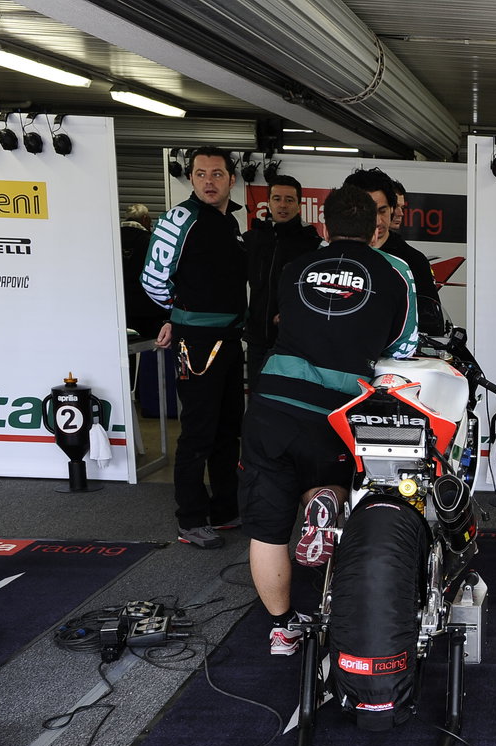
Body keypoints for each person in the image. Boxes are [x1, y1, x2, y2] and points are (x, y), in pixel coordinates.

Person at [240, 184, 419, 656]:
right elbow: (402, 349)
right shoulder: (396, 272)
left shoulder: (297, 265)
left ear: (324, 223)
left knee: (267, 527)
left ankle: (282, 629)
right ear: (375, 226)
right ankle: (326, 500)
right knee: (334, 475)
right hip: (337, 409)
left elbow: (283, 320)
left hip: (272, 400)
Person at [141, 146, 248, 549]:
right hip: (197, 342)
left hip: (230, 338)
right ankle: (190, 518)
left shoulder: (231, 220)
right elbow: (153, 278)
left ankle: (224, 509)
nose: (209, 181)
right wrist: (178, 316)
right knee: (199, 431)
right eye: (200, 174)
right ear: (190, 179)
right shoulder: (180, 218)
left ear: (231, 179)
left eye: (217, 174)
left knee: (227, 429)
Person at [342, 167, 449, 337]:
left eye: (382, 210)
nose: (377, 220)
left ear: (392, 208)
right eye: (367, 211)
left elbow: (430, 326)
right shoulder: (333, 256)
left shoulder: (413, 261)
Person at [244, 175, 321, 390]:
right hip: (257, 338)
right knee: (257, 398)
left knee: (288, 399)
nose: (283, 205)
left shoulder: (312, 243)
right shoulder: (252, 239)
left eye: (289, 199)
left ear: (299, 204)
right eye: (277, 198)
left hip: (293, 341)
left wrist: (294, 314)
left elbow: (318, 293)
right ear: (268, 202)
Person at [119, 204, 164, 337]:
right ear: (145, 219)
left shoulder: (112, 238)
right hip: (147, 308)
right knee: (151, 345)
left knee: (127, 345)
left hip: (121, 305)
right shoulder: (150, 241)